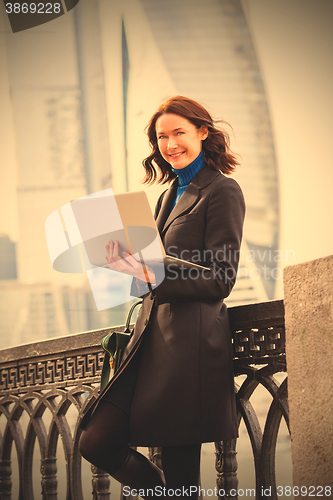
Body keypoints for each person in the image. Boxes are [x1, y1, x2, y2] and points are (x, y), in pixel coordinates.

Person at [79, 96, 245, 499]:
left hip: (188, 352)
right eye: (162, 137)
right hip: (148, 346)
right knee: (95, 441)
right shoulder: (167, 196)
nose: (170, 144)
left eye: (179, 133)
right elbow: (152, 275)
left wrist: (148, 270)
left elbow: (221, 279)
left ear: (203, 132)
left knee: (182, 472)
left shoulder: (222, 190)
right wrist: (124, 268)